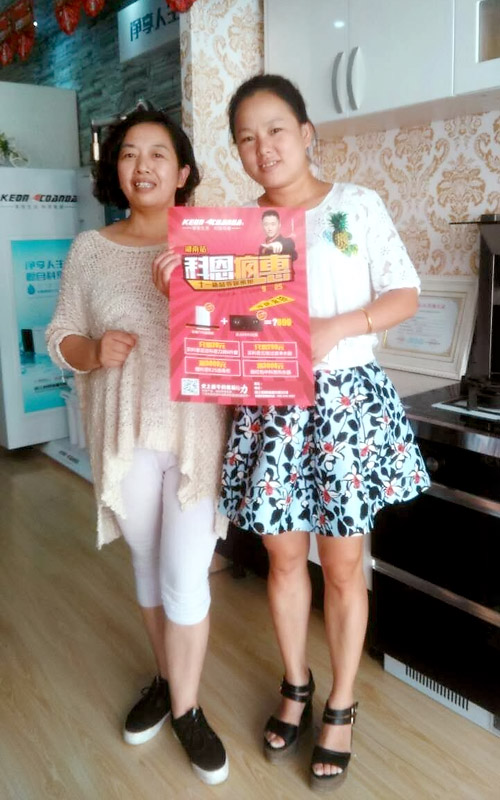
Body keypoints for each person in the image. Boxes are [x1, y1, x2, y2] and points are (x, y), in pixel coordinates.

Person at [218, 74, 431, 792]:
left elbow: (405, 293)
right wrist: (183, 290)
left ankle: (341, 701)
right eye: (246, 137)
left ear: (307, 133)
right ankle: (296, 683)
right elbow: (228, 327)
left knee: (342, 566)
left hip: (344, 402)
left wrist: (340, 324)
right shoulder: (236, 231)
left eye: (275, 129)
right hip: (273, 407)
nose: (262, 148)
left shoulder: (356, 206)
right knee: (283, 560)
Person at [46, 109, 229, 786]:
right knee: (149, 566)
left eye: (158, 154)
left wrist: (191, 289)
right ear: (115, 169)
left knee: (186, 575)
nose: (143, 165)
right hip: (123, 435)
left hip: (197, 434)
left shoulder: (214, 243)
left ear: (183, 173)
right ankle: (167, 679)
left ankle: (187, 710)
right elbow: (60, 335)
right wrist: (93, 350)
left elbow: (252, 329)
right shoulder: (90, 250)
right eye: (129, 153)